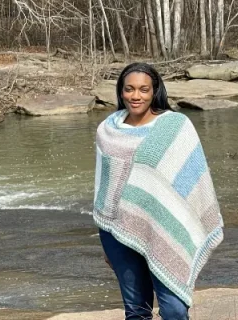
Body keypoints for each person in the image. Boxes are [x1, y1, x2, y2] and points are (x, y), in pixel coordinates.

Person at [93, 62, 224, 320]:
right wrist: (107, 242)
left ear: (155, 91)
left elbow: (193, 179)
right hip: (119, 232)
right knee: (136, 311)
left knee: (174, 310)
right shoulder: (107, 131)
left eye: (143, 89)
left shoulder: (175, 126)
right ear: (120, 92)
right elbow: (102, 189)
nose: (136, 96)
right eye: (129, 89)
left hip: (165, 226)